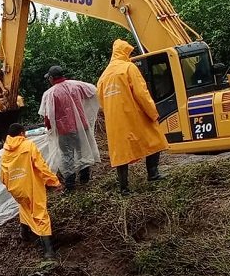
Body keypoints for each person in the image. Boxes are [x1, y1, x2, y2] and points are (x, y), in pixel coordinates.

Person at [96, 39, 169, 194]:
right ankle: (153, 173)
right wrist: (153, 112)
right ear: (125, 52)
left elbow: (101, 101)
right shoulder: (129, 68)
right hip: (134, 116)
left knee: (120, 152)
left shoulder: (103, 76)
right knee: (154, 138)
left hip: (114, 121)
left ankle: (124, 188)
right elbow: (142, 94)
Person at [0, 123, 61, 259]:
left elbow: (3, 176)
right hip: (31, 187)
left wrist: (13, 186)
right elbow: (41, 166)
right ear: (21, 134)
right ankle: (49, 251)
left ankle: (24, 233)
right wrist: (53, 181)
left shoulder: (5, 152)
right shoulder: (28, 145)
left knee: (25, 206)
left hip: (16, 189)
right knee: (40, 214)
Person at [39, 65, 100, 192]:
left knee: (67, 155)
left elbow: (48, 115)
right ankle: (84, 177)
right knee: (81, 150)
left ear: (51, 78)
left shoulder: (50, 94)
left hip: (64, 130)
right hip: (81, 126)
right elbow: (93, 91)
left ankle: (70, 184)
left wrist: (50, 129)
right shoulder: (76, 85)